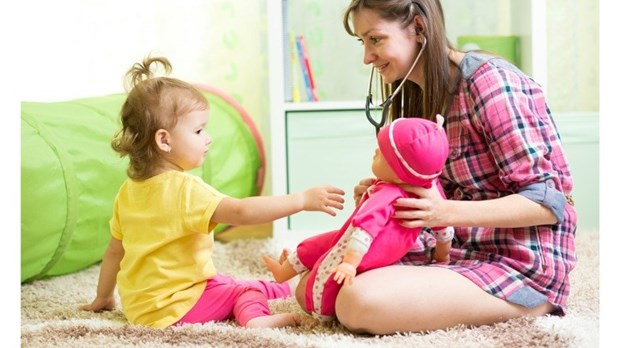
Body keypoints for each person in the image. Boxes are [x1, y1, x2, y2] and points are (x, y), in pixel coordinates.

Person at [292, 0, 577, 335]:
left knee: (357, 302)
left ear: (418, 27)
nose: (367, 57)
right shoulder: (421, 95)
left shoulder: (491, 84)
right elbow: (435, 194)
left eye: (376, 39)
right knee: (312, 285)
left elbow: (548, 204)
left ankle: (534, 302)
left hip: (519, 263)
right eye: (363, 42)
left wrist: (442, 212)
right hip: (456, 248)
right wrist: (392, 195)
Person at [80, 56, 346, 329]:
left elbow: (114, 251)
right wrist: (301, 200)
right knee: (244, 292)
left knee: (229, 282)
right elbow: (241, 211)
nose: (208, 138)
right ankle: (255, 319)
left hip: (141, 307)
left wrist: (103, 296)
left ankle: (284, 288)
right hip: (177, 307)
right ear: (164, 140)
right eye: (198, 130)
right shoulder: (186, 189)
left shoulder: (128, 191)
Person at [263, 116, 455, 321]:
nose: (375, 152)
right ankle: (285, 270)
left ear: (400, 176)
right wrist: (442, 257)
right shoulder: (430, 188)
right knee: (318, 244)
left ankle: (318, 310)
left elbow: (365, 231)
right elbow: (443, 229)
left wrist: (349, 264)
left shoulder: (387, 195)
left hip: (364, 248)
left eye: (382, 155)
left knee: (321, 276)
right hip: (362, 238)